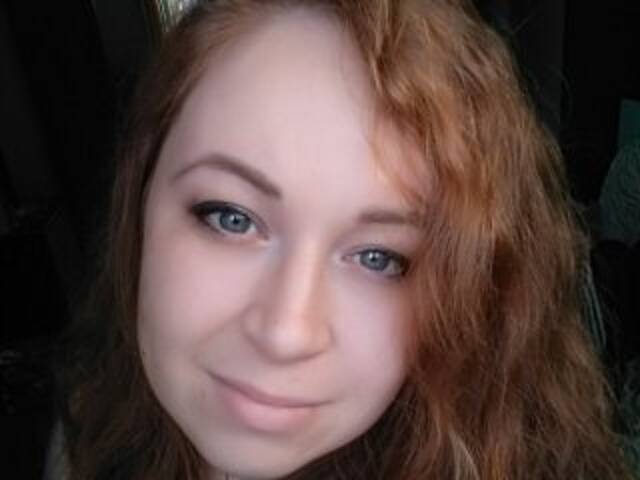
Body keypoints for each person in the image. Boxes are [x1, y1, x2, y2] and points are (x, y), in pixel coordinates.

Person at [54, 0, 632, 479]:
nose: (286, 333)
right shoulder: (88, 428)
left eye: (379, 257)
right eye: (231, 217)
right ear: (141, 195)